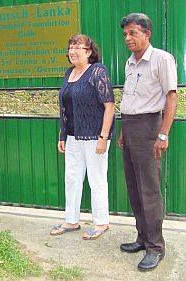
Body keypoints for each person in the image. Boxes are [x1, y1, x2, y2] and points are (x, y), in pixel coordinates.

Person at [118, 13, 177, 271]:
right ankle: (142, 237)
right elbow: (129, 99)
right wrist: (123, 130)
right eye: (125, 34)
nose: (128, 38)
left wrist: (163, 133)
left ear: (147, 33)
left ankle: (155, 247)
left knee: (150, 191)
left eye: (133, 33)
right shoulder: (130, 63)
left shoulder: (162, 59)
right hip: (130, 126)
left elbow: (171, 97)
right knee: (134, 187)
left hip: (149, 126)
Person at [50, 34, 115, 239]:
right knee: (72, 179)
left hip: (95, 136)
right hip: (73, 137)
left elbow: (109, 106)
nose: (73, 50)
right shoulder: (69, 73)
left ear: (89, 51)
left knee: (96, 180)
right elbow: (64, 108)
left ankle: (101, 222)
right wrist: (63, 134)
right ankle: (71, 220)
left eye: (78, 47)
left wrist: (103, 137)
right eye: (71, 46)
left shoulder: (98, 71)